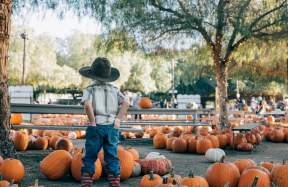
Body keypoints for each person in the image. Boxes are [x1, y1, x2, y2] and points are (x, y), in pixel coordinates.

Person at [79, 57, 129, 187]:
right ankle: (114, 181)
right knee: (112, 155)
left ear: (92, 74)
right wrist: (118, 119)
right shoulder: (115, 89)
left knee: (90, 155)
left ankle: (87, 181)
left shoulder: (90, 89)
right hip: (112, 127)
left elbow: (87, 105)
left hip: (96, 127)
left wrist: (93, 121)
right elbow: (126, 102)